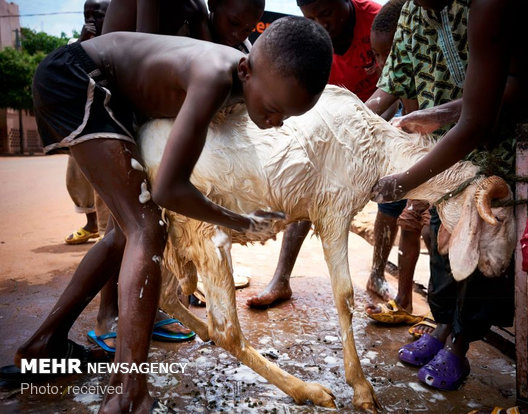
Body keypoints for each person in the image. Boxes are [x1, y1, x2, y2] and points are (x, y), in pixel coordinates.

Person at [0, 16, 333, 413]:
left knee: (126, 233)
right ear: (245, 68)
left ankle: (44, 344)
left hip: (102, 89)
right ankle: (127, 392)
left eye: (287, 117)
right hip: (78, 79)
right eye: (273, 109)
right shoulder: (213, 75)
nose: (275, 121)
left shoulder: (249, 78)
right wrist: (242, 221)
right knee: (146, 229)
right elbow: (170, 190)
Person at [371, 0, 528, 408]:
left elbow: (477, 119)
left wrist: (401, 183)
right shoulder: (432, 15)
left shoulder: (484, 7)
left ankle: (469, 343)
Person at [367, 0, 528, 391]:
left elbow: (522, 83)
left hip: (501, 147)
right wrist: (355, 123)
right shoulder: (414, 15)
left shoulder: (484, 7)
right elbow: (394, 82)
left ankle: (463, 344)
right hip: (444, 157)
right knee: (442, 242)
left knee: (483, 250)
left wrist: (440, 116)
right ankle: (444, 324)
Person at [88, 0, 266, 352]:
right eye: (234, 24)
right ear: (219, 6)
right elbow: (144, 48)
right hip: (111, 102)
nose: (237, 35)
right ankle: (108, 315)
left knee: (154, 222)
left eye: (247, 31)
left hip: (143, 105)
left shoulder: (198, 12)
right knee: (128, 225)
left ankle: (148, 308)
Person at [247, 0, 383, 308]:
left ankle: (377, 277)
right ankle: (280, 280)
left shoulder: (376, 20)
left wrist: (366, 125)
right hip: (335, 123)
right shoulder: (313, 46)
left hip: (380, 118)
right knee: (309, 191)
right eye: (312, 17)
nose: (322, 23)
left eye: (326, 12)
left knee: (390, 202)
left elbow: (394, 82)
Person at [360, 0, 434, 327]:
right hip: (405, 154)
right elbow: (384, 111)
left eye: (385, 55)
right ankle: (395, 292)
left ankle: (440, 312)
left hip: (434, 156)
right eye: (375, 56)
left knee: (426, 225)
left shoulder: (428, 73)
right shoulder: (398, 79)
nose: (381, 63)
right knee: (395, 214)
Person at [64, 0, 111, 245]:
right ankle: (92, 225)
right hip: (84, 121)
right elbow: (67, 76)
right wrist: (83, 44)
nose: (91, 19)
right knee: (78, 175)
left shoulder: (118, 42)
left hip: (110, 122)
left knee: (106, 181)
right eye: (87, 14)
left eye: (98, 14)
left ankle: (106, 235)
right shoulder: (75, 45)